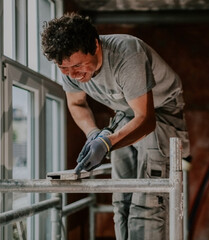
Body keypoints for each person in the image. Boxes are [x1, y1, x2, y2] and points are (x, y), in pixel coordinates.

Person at [41, 12, 190, 240]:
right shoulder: (70, 66)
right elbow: (77, 102)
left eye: (78, 66)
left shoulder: (126, 55)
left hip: (162, 111)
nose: (73, 75)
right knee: (123, 198)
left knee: (147, 202)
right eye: (64, 69)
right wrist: (93, 135)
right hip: (126, 113)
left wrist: (108, 142)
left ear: (95, 45)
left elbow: (146, 119)